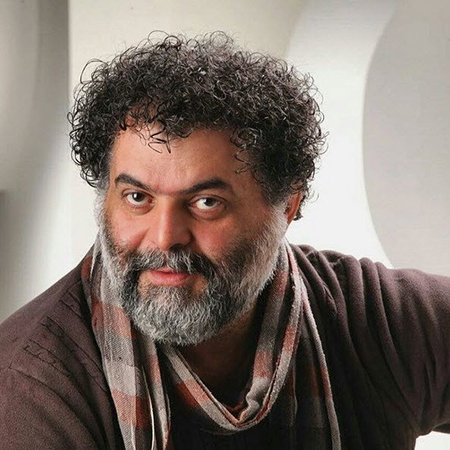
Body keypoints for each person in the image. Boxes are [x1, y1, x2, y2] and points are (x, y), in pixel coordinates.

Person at [1, 32, 449, 450]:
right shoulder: (29, 390)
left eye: (206, 203)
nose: (165, 237)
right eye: (138, 198)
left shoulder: (380, 322)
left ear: (287, 205)